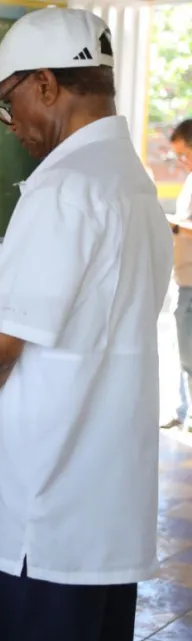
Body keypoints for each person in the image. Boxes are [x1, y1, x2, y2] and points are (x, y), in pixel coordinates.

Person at [0, 9, 171, 641]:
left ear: (47, 85)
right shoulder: (133, 184)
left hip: (44, 510)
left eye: (10, 102)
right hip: (102, 507)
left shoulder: (64, 188)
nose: (11, 123)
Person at [162, 119, 192, 431]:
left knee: (189, 354)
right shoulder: (189, 181)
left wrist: (169, 224)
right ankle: (182, 412)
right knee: (180, 351)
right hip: (182, 279)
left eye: (184, 154)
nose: (181, 162)